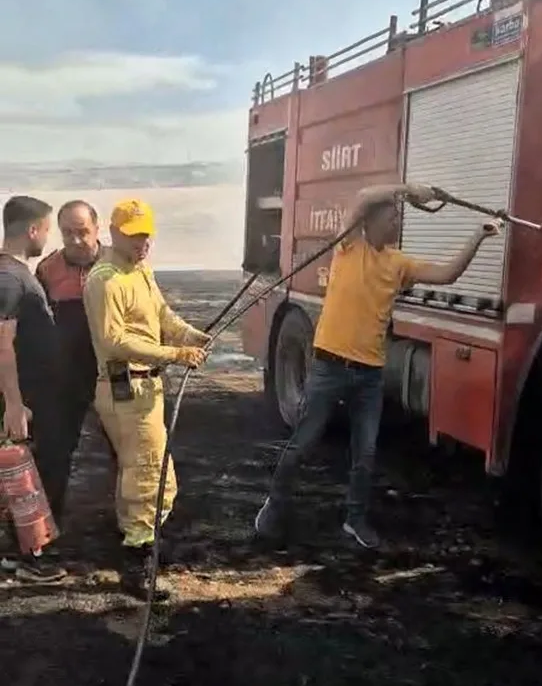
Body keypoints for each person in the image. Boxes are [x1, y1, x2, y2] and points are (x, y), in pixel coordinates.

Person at [254, 182, 504, 550]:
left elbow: (447, 274)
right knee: (303, 443)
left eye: (398, 217)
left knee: (366, 453)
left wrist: (479, 236)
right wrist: (408, 190)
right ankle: (273, 507)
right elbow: (361, 197)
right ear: (370, 223)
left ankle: (354, 521)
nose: (397, 223)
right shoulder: (348, 247)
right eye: (392, 217)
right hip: (329, 367)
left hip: (369, 374)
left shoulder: (398, 263)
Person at [83, 198, 211, 600]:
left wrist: (190, 337)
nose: (143, 242)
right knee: (147, 477)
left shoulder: (140, 272)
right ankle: (139, 567)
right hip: (125, 389)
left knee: (152, 475)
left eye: (146, 234)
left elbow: (162, 317)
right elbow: (115, 341)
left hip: (145, 389)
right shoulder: (104, 280)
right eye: (135, 235)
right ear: (114, 232)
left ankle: (142, 547)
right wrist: (176, 354)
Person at [0, 195, 67, 582]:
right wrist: (14, 404)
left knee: (17, 478)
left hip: (28, 394)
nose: (46, 237)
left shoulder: (14, 272)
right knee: (24, 479)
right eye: (46, 229)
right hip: (24, 398)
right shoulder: (10, 277)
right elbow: (2, 343)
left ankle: (15, 553)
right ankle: (30, 560)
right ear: (32, 230)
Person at [36, 200, 103, 492]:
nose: (76, 240)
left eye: (82, 231)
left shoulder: (122, 264)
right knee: (55, 451)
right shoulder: (48, 269)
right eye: (67, 233)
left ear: (97, 229)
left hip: (112, 374)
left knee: (129, 454)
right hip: (66, 377)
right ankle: (48, 523)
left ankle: (132, 524)